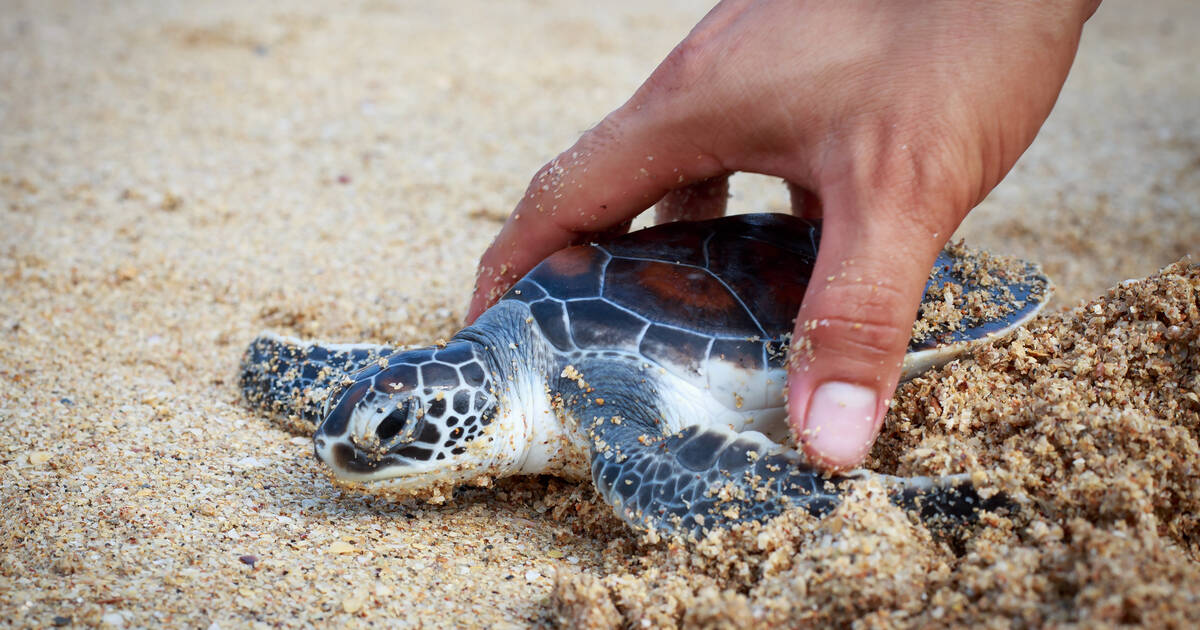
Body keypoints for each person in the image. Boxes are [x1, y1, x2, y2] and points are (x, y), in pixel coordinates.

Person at [467, 0, 1101, 471]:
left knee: (641, 477)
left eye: (393, 428)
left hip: (871, 302)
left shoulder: (597, 404)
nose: (363, 457)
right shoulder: (504, 347)